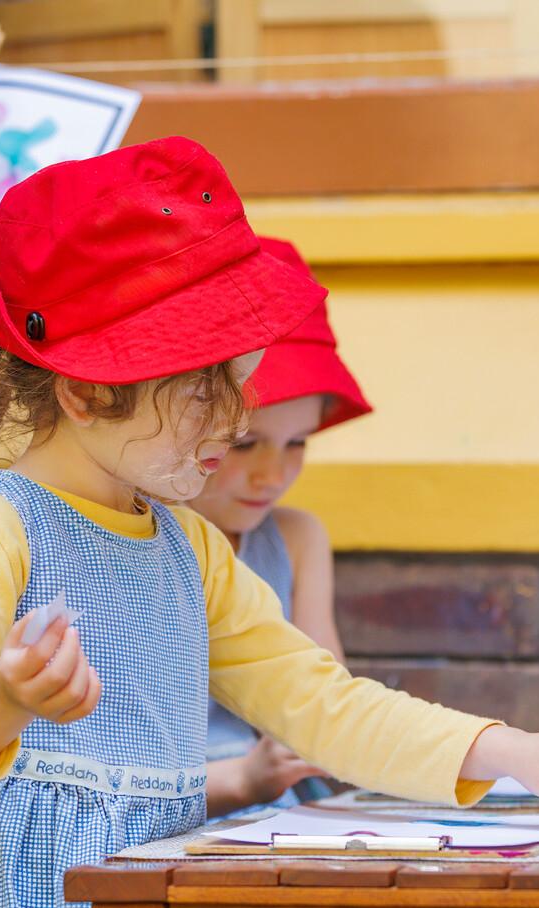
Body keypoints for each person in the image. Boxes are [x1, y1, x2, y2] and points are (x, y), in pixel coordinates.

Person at [0, 137, 539, 908]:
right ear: (86, 392)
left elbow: (322, 704)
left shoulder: (189, 551)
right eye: (207, 389)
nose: (236, 415)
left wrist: (506, 751)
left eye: (241, 381)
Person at [194, 237, 370, 817]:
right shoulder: (146, 537)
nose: (273, 474)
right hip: (172, 795)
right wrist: (245, 775)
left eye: (297, 443)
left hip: (281, 800)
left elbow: (325, 690)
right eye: (246, 444)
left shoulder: (295, 538)